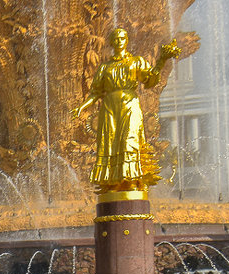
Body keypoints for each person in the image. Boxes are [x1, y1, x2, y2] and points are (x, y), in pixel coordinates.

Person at [72, 28, 179, 194]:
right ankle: (112, 182)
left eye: (123, 37)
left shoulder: (136, 62)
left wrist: (162, 60)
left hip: (129, 105)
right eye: (116, 38)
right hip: (109, 108)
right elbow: (96, 92)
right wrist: (82, 107)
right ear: (112, 42)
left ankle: (132, 180)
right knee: (110, 143)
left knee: (130, 139)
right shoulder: (104, 68)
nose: (120, 40)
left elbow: (150, 80)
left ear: (126, 40)